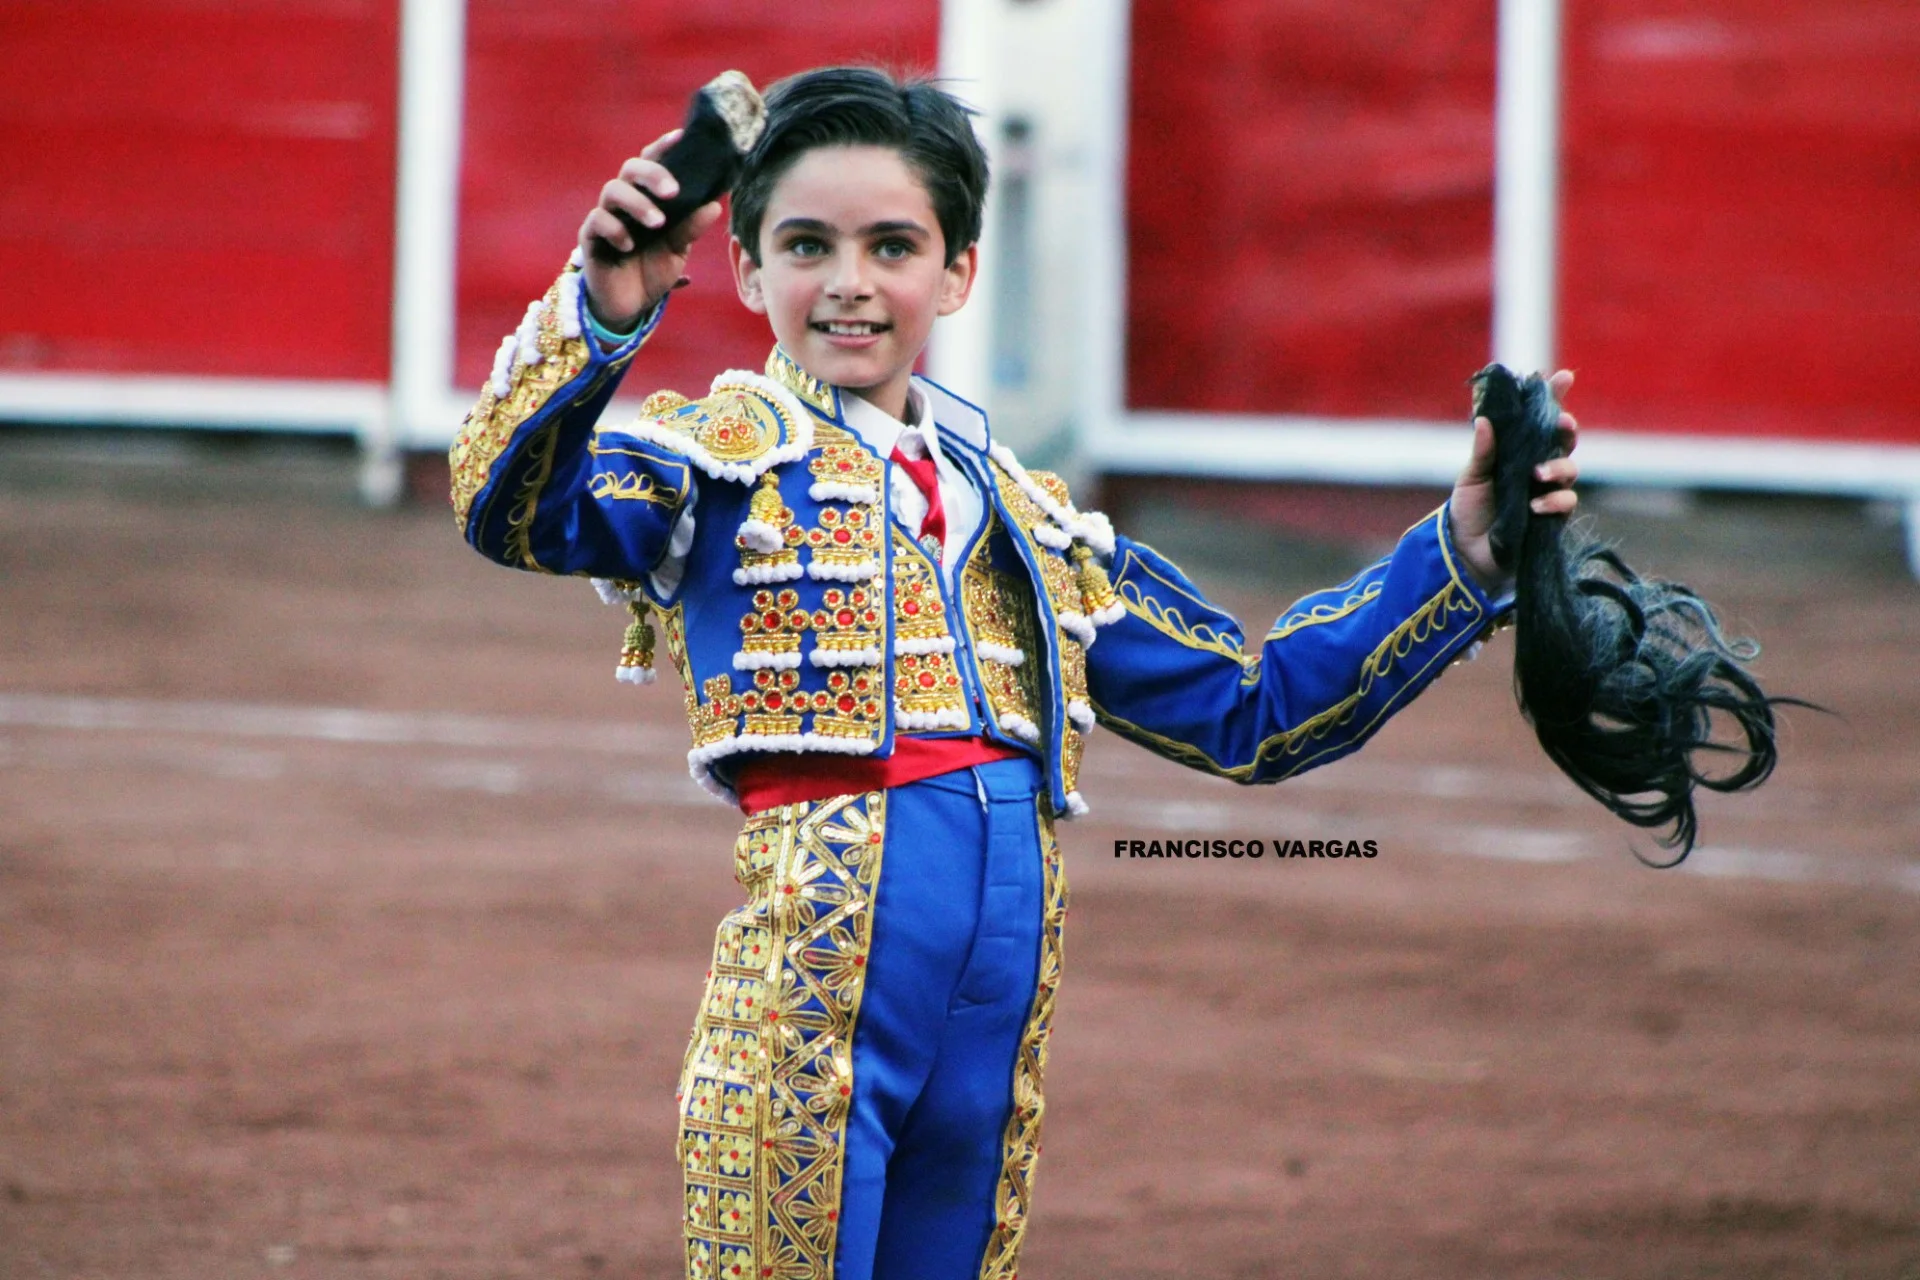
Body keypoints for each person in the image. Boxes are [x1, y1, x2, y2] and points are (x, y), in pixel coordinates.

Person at [449, 66, 1578, 1280]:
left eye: (892, 245)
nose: (848, 282)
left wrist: (1460, 553)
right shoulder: (711, 464)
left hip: (991, 1036)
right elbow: (509, 507)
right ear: (743, 267)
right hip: (807, 1010)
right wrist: (606, 311)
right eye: (805, 244)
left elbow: (1254, 713)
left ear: (957, 271)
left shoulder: (1033, 519)